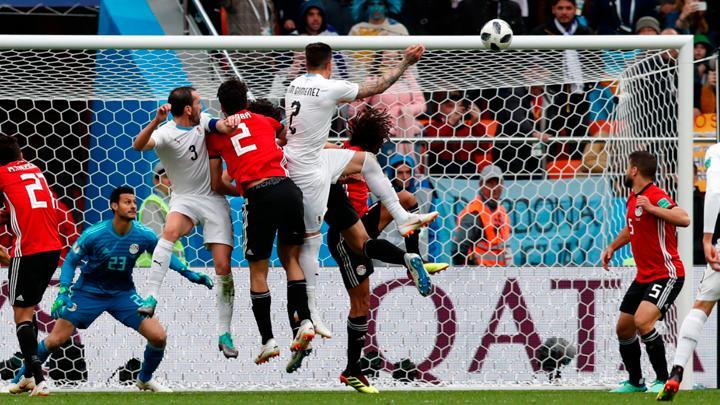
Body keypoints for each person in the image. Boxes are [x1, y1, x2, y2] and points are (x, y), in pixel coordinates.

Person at [282, 42, 437, 343]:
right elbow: (375, 86)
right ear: (328, 65)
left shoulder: (294, 85)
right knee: (310, 247)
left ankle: (403, 217)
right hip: (309, 174)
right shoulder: (328, 87)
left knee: (367, 161)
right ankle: (312, 314)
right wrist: (405, 63)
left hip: (309, 158)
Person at [8, 186, 213, 395]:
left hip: (122, 294)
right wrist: (63, 292)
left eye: (134, 202)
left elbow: (164, 254)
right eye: (127, 202)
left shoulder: (144, 235)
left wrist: (189, 273)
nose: (133, 206)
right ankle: (20, 380)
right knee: (54, 340)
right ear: (114, 206)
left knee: (158, 336)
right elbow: (70, 260)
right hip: (88, 292)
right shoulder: (95, 234)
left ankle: (144, 379)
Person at [323, 108, 448, 394]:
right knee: (360, 304)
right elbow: (328, 152)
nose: (383, 144)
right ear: (375, 140)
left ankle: (415, 259)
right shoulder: (351, 157)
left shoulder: (355, 155)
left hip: (363, 221)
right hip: (344, 236)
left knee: (406, 198)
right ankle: (351, 369)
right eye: (381, 139)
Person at [206, 78, 315, 369]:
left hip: (260, 195)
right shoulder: (265, 120)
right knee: (291, 259)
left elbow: (217, 183)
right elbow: (285, 138)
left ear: (221, 105)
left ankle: (268, 341)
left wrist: (243, 187)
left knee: (258, 270)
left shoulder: (215, 135)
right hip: (289, 190)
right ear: (246, 100)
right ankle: (304, 321)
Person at [132, 86, 239, 359]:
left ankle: (224, 332)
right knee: (169, 232)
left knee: (223, 266)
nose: (202, 107)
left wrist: (234, 121)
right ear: (188, 108)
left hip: (213, 199)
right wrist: (155, 121)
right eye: (198, 103)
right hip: (185, 198)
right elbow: (138, 145)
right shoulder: (165, 133)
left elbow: (221, 127)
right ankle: (151, 297)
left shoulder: (203, 122)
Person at [601, 151, 689, 393]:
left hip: (667, 273)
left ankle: (662, 380)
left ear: (634, 170)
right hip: (644, 276)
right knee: (624, 328)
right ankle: (635, 382)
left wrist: (652, 208)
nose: (625, 170)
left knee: (642, 321)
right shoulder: (634, 198)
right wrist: (612, 246)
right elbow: (632, 229)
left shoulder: (655, 196)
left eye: (627, 166)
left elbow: (683, 218)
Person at [0, 135, 62, 396]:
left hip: (28, 250)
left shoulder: (1, 174)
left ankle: (40, 380)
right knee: (30, 310)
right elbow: (25, 205)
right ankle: (26, 377)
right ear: (19, 153)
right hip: (53, 248)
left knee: (21, 315)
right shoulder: (34, 169)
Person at [658, 145, 720, 400]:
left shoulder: (715, 152)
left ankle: (677, 370)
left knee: (701, 308)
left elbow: (715, 191)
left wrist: (707, 238)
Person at [453, 165, 512, 266]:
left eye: (498, 183)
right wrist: (470, 269)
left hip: (499, 275)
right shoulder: (474, 213)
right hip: (479, 276)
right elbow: (457, 248)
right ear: (481, 184)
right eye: (490, 183)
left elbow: (505, 246)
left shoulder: (501, 211)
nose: (495, 188)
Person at [136, 162, 186, 267]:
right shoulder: (152, 204)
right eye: (166, 176)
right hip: (154, 268)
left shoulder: (172, 204)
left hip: (170, 268)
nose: (171, 180)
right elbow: (156, 242)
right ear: (156, 181)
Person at [583, 0, 657, 34]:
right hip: (607, 45)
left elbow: (649, 19)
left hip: (638, 44)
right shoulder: (601, 1)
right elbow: (592, 22)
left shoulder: (646, 1)